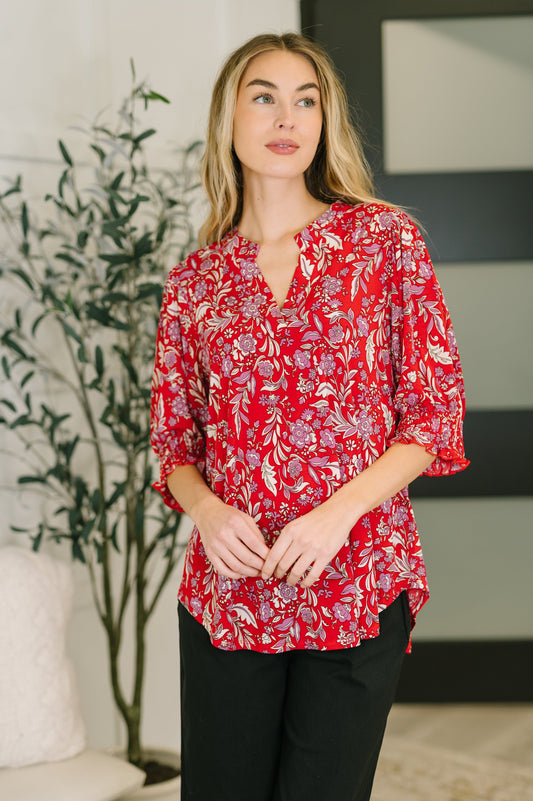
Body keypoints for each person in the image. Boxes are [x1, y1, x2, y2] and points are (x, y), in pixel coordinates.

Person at [150, 32, 468, 801]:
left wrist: (336, 515)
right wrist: (208, 511)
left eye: (306, 100)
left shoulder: (382, 242)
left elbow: (432, 414)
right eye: (263, 97)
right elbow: (173, 445)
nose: (285, 117)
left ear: (324, 123)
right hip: (231, 595)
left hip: (356, 577)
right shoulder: (196, 281)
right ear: (228, 118)